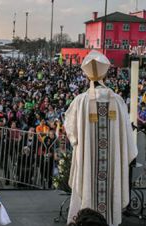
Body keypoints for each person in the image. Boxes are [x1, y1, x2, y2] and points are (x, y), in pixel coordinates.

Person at [64, 51, 137, 225]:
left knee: (87, 187)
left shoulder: (80, 101)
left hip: (88, 163)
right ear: (105, 73)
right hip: (111, 163)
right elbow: (127, 133)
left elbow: (71, 131)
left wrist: (81, 140)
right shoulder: (118, 100)